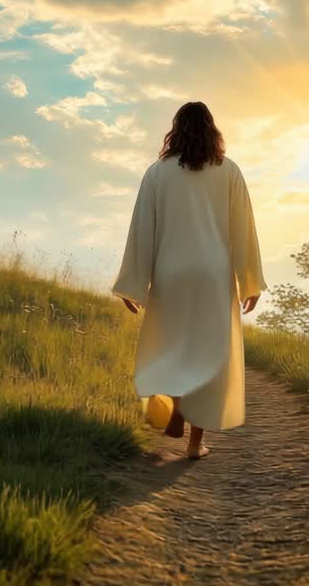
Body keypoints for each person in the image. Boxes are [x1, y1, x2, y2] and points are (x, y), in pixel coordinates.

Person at [113, 101, 266, 460]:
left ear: (175, 130)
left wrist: (133, 283)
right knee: (208, 354)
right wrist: (250, 282)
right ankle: (195, 444)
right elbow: (244, 230)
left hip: (171, 273)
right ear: (213, 130)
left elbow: (142, 230)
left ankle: (176, 406)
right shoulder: (229, 171)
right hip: (213, 276)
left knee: (174, 346)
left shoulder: (157, 173)